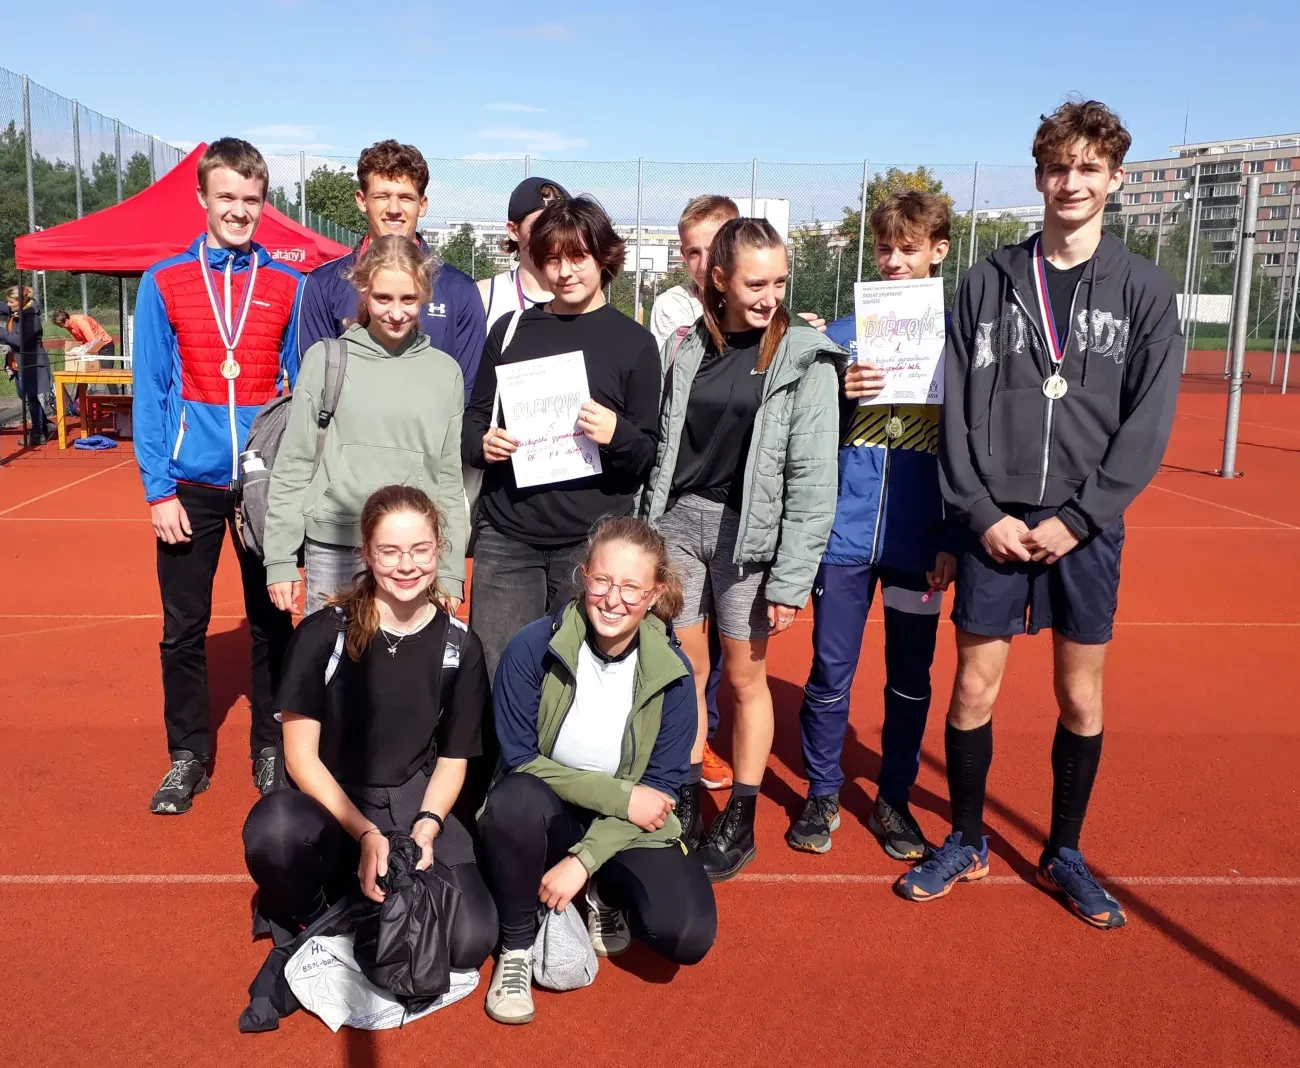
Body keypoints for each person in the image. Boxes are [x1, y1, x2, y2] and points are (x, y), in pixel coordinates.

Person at [897, 100, 1182, 929]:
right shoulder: (987, 281)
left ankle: (1063, 850)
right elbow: (955, 413)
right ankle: (967, 839)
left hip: (1083, 529)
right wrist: (979, 511)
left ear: (1115, 179)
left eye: (1089, 168)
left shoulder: (1144, 289)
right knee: (972, 687)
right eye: (1059, 167)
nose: (1072, 182)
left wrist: (1081, 519)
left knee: (1079, 695)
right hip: (994, 521)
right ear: (1038, 177)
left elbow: (1148, 425)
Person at [640, 217, 840, 881]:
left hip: (749, 540)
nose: (770, 296)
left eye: (779, 282)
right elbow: (664, 445)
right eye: (756, 283)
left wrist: (791, 579)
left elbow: (813, 480)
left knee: (747, 680)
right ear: (719, 279)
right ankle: (688, 795)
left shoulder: (805, 357)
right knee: (686, 673)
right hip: (679, 529)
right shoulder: (686, 346)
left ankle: (742, 815)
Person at [243, 485, 498, 972]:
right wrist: (364, 833)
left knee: (471, 940)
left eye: (420, 550)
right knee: (274, 831)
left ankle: (366, 907)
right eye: (390, 551)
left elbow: (453, 758)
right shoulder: (322, 634)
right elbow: (300, 757)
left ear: (440, 549)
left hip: (410, 802)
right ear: (366, 552)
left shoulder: (460, 647)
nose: (407, 565)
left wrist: (427, 826)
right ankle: (320, 910)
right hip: (333, 804)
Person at [478, 516, 716, 1025]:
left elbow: (659, 792)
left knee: (687, 933)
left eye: (631, 587)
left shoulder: (673, 674)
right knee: (514, 800)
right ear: (583, 576)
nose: (613, 600)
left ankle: (602, 889)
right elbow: (521, 759)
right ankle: (517, 949)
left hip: (626, 828)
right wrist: (622, 798)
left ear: (654, 594)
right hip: (550, 814)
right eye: (602, 581)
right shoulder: (532, 648)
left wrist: (584, 862)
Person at [132, 137, 301, 815]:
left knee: (273, 623)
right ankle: (188, 754)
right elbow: (151, 390)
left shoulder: (287, 285)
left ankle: (271, 746)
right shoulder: (164, 280)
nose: (239, 210)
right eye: (226, 196)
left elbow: (298, 393)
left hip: (261, 485)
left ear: (264, 204)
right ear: (202, 197)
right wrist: (158, 489)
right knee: (183, 628)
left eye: (251, 199)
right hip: (190, 485)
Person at [789, 192, 958, 860]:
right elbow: (802, 432)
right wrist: (837, 391)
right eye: (885, 248)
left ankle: (894, 798)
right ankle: (822, 792)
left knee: (910, 677)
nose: (894, 261)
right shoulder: (840, 336)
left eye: (909, 249)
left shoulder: (957, 336)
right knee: (830, 670)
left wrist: (952, 534)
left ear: (938, 251)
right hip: (844, 538)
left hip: (921, 542)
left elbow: (972, 445)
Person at [462, 196, 660, 678]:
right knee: (499, 674)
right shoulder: (509, 331)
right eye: (552, 259)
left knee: (577, 677)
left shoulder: (635, 343)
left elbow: (645, 457)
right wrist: (484, 444)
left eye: (578, 257)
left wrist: (616, 433)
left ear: (604, 257)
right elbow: (473, 422)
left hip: (590, 546)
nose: (565, 271)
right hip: (507, 539)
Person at [263, 235, 467, 618]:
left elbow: (449, 480)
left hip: (409, 554)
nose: (396, 312)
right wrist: (280, 558)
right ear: (363, 291)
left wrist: (452, 571)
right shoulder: (324, 360)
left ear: (424, 296)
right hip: (334, 547)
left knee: (400, 655)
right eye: (383, 298)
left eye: (408, 299)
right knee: (331, 654)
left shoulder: (446, 373)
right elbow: (294, 464)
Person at [297, 140, 486, 405]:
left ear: (422, 205)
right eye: (382, 196)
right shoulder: (323, 284)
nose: (394, 209)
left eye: (406, 197)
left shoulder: (460, 291)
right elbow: (313, 387)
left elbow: (468, 394)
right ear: (362, 200)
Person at [477, 177, 569, 332]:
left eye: (562, 224)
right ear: (514, 231)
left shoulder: (583, 295)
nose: (553, 233)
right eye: (541, 224)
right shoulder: (485, 296)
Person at [648, 195, 739, 348]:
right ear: (684, 254)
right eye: (694, 253)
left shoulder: (759, 299)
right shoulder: (674, 304)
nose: (704, 265)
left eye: (714, 250)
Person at [3, 285, 53, 445]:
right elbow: (3, 307)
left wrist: (1, 332)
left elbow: (18, 340)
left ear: (21, 301)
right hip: (17, 362)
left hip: (31, 363)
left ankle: (38, 433)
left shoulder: (30, 317)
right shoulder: (19, 309)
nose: (8, 305)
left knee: (30, 398)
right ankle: (45, 426)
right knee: (25, 396)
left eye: (11, 302)